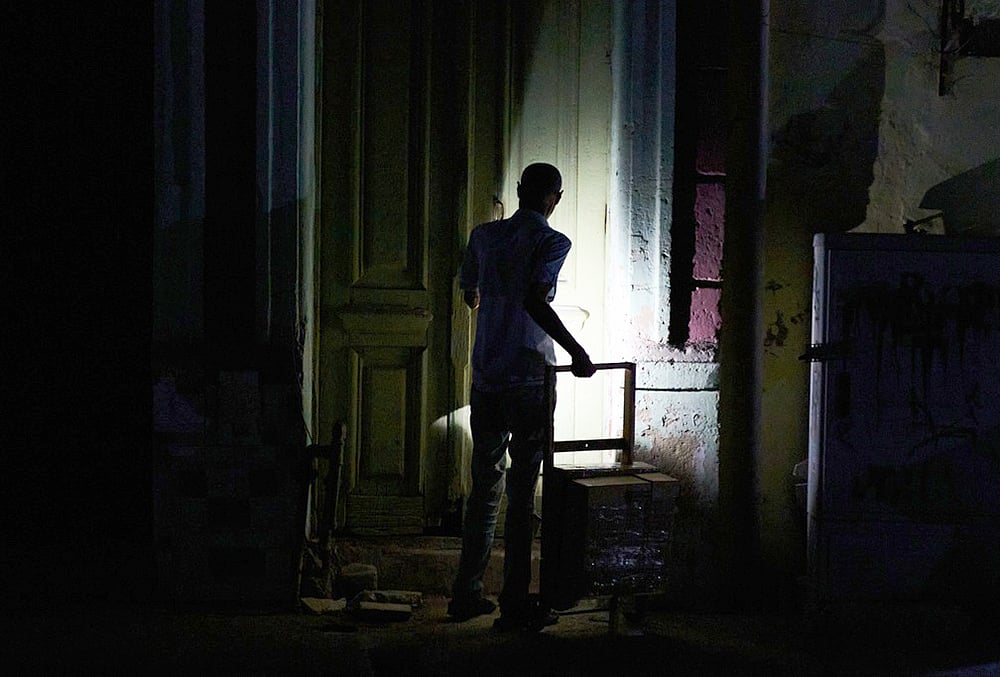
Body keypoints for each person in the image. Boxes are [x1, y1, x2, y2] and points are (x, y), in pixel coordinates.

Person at [447, 162, 596, 631]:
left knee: (484, 492)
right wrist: (577, 351)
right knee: (522, 494)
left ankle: (466, 593)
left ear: (516, 191)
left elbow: (468, 291)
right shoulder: (553, 242)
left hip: (488, 374)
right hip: (530, 378)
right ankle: (514, 603)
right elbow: (536, 299)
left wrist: (491, 303)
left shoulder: (484, 236)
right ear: (556, 196)